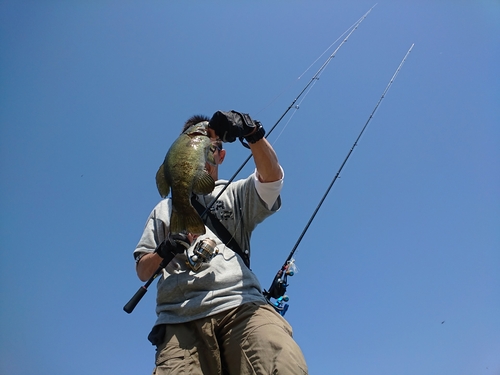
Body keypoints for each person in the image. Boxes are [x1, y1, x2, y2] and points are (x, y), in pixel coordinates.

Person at [133, 110, 308, 375]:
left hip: (244, 307)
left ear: (221, 155)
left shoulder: (235, 192)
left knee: (281, 365)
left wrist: (253, 133)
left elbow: (272, 181)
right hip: (179, 320)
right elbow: (143, 271)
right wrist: (163, 250)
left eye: (211, 146)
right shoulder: (163, 209)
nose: (203, 154)